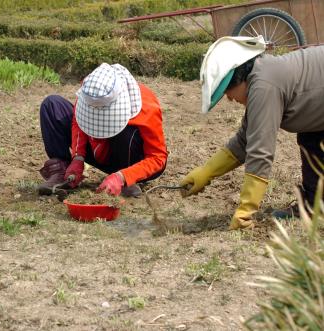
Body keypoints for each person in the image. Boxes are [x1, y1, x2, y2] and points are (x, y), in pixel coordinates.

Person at [180, 36, 324, 229]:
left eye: (227, 92)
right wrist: (206, 172)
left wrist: (246, 209)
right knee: (310, 137)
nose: (230, 99)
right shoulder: (262, 76)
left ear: (238, 79)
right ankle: (315, 205)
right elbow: (245, 140)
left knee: (310, 137)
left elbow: (260, 151)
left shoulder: (264, 86)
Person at [38, 63, 167, 197]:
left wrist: (123, 176)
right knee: (52, 105)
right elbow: (78, 120)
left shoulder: (146, 104)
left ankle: (126, 182)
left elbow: (158, 158)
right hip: (97, 151)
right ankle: (61, 172)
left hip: (129, 159)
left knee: (129, 130)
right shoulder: (91, 91)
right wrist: (78, 157)